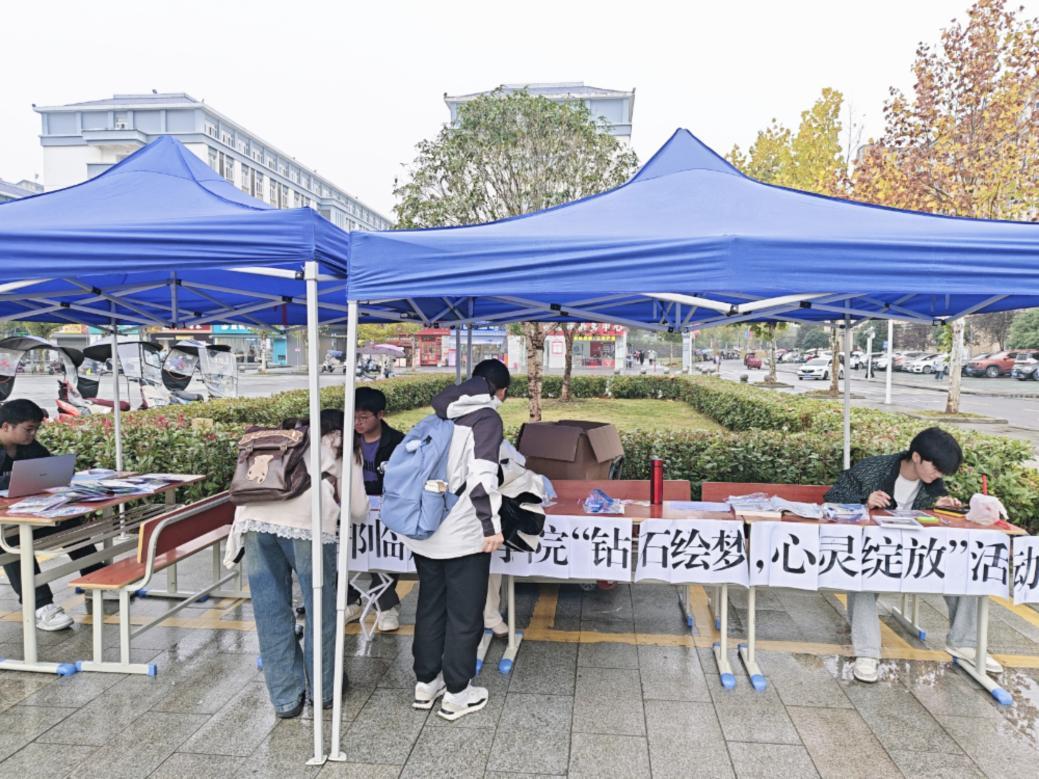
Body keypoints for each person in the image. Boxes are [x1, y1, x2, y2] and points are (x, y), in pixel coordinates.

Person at [824, 427, 1001, 683]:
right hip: (875, 550)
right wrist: (864, 500)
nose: (938, 475)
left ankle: (964, 643)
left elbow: (928, 507)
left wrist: (941, 506)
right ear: (916, 457)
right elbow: (832, 497)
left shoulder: (932, 483)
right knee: (862, 578)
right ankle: (867, 653)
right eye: (936, 468)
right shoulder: (874, 469)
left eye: (942, 472)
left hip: (917, 552)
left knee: (964, 569)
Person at [232, 409, 368, 718]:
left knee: (270, 612)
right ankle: (323, 690)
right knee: (320, 609)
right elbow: (358, 508)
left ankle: (285, 699)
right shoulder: (339, 443)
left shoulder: (284, 438)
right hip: (309, 526)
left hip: (253, 521)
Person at [406, 359, 508, 721]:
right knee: (465, 615)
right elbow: (483, 478)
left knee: (430, 606)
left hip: (426, 530)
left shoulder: (441, 412)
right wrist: (491, 527)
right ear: (501, 391)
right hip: (463, 535)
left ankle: (425, 683)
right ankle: (458, 693)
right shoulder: (486, 419)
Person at [0, 399, 102, 631]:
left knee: (69, 522)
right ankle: (41, 607)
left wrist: (59, 470)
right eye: (28, 429)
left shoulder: (29, 446)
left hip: (22, 514)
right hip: (5, 526)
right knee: (13, 540)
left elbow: (47, 466)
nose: (33, 434)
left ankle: (96, 579)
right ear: (6, 426)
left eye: (36, 429)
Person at [346, 386, 405, 631]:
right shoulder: (345, 440)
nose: (357, 423)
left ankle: (386, 607)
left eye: (364, 417)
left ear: (380, 415)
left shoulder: (398, 441)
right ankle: (350, 601)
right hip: (351, 508)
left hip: (386, 509)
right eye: (354, 416)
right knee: (345, 555)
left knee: (384, 556)